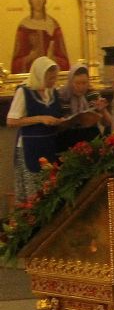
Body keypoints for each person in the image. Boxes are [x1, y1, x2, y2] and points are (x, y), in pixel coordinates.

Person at [7, 56, 64, 201]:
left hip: (50, 146)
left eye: (54, 78)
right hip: (30, 147)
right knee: (34, 195)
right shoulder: (25, 92)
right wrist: (40, 118)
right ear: (39, 76)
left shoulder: (53, 92)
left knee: (51, 192)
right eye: (50, 78)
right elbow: (11, 121)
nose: (53, 81)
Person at [11, 0, 70, 73]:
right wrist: (30, 57)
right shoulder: (23, 27)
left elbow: (65, 63)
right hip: (30, 76)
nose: (37, 0)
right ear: (29, 0)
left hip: (50, 75)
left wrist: (53, 58)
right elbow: (15, 65)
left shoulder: (53, 26)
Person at [57, 65, 111, 148]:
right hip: (68, 138)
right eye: (77, 83)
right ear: (70, 82)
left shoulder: (92, 94)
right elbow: (57, 126)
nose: (81, 87)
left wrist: (103, 110)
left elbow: (108, 123)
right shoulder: (62, 96)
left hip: (90, 136)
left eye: (84, 83)